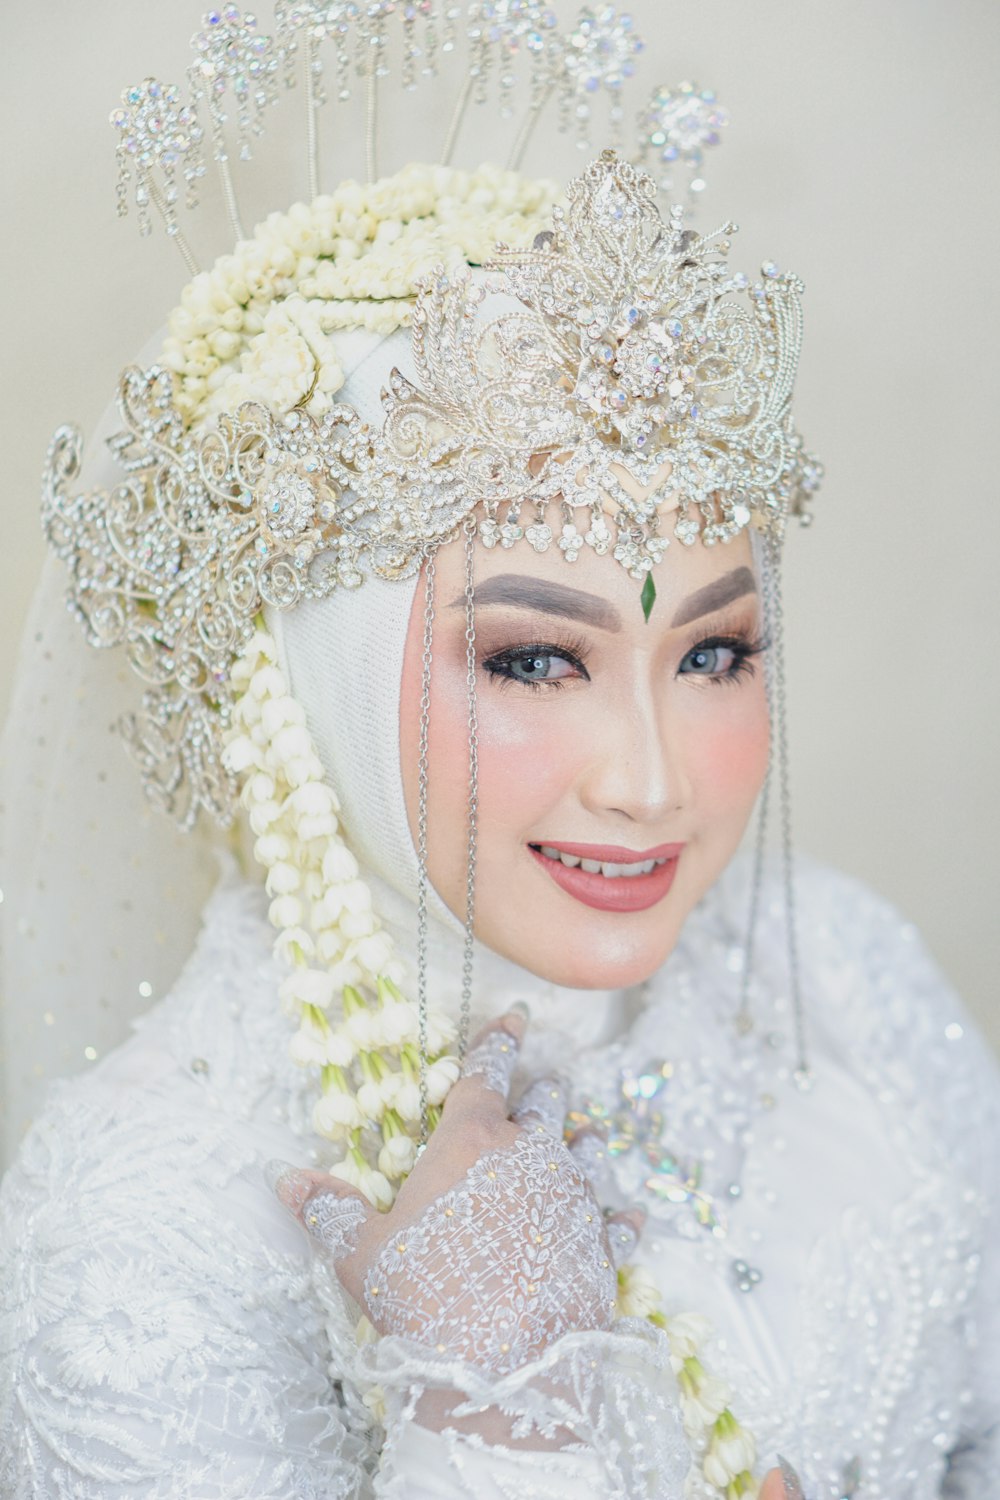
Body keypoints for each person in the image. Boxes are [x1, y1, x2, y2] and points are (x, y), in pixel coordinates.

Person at [1, 8, 997, 1498]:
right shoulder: (148, 1234)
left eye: (714, 653)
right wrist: (492, 1415)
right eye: (538, 658)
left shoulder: (840, 974)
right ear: (306, 668)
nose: (651, 783)